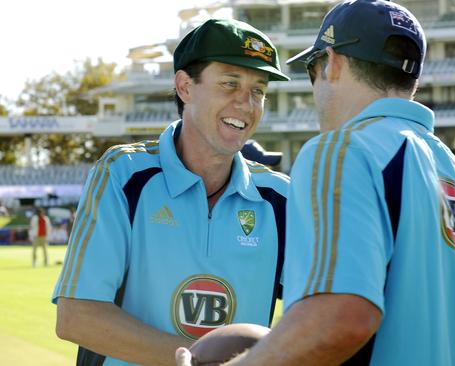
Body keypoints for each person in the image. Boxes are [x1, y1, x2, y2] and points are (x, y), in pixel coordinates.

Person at [177, 1, 455, 365]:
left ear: (334, 63)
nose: (314, 85)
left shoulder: (341, 150)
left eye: (313, 68)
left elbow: (341, 318)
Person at [52, 18, 290, 366]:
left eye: (258, 90)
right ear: (184, 86)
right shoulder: (122, 174)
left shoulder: (281, 197)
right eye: (229, 84)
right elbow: (77, 315)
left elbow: (317, 314)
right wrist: (201, 359)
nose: (246, 104)